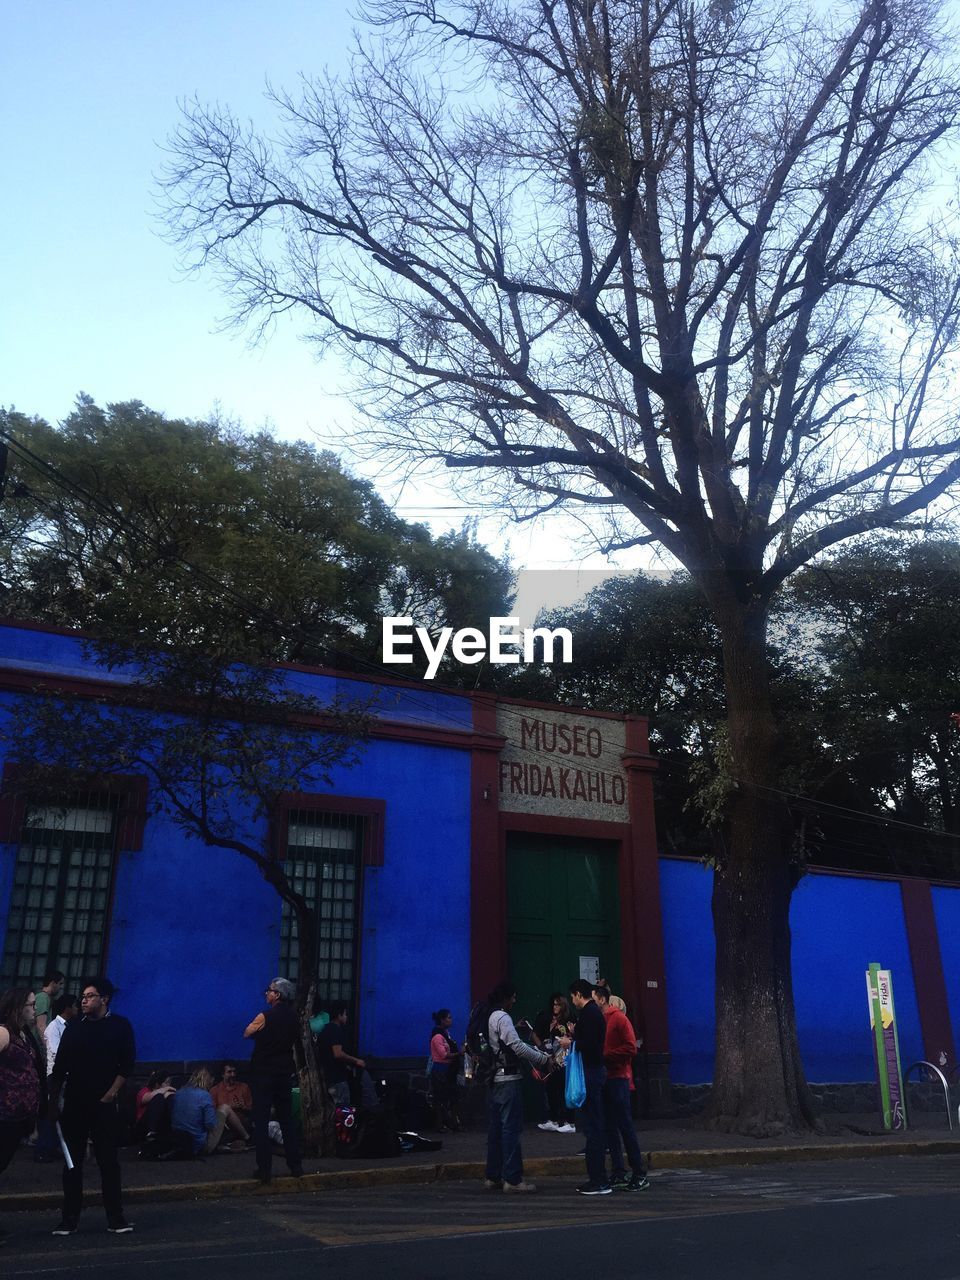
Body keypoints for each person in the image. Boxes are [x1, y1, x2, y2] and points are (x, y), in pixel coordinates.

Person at [49, 976, 135, 1235]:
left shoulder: (120, 1027)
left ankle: (115, 1216)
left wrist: (111, 1094)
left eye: (89, 996)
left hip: (104, 1104)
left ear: (104, 999)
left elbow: (127, 1064)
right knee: (72, 1163)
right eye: (83, 997)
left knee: (108, 1161)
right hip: (75, 1102)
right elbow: (61, 1066)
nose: (83, 1000)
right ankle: (70, 1217)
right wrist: (54, 1101)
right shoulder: (74, 1028)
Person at [484, 979, 553, 1194]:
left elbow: (499, 1042)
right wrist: (543, 1059)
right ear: (506, 997)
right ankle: (513, 1179)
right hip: (508, 1080)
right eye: (513, 997)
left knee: (496, 1130)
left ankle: (492, 1176)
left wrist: (515, 1028)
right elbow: (517, 1047)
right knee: (511, 1129)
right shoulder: (502, 1017)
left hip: (492, 1079)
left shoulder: (487, 1014)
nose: (514, 1001)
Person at [244, 977, 302, 1183]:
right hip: (284, 1073)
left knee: (260, 1121)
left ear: (277, 995)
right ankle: (295, 1165)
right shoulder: (295, 1018)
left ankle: (264, 1169)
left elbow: (247, 1033)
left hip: (263, 1073)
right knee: (287, 1120)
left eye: (269, 991)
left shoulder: (265, 1016)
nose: (266, 994)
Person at [593, 983, 649, 1192]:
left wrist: (606, 1057)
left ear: (602, 998)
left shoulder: (618, 1019)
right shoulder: (600, 1021)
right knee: (610, 1128)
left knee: (625, 1126)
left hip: (618, 1078)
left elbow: (630, 1047)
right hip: (605, 1078)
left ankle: (639, 1172)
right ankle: (618, 1171)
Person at [0, 989, 43, 1245]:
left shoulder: (24, 1035)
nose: (34, 1009)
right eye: (30, 1004)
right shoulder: (4, 1032)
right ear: (17, 1007)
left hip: (18, 1116)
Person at [562, 979, 610, 1195]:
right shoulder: (592, 1014)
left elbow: (590, 1045)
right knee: (593, 1126)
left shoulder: (589, 1014)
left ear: (579, 994)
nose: (572, 1001)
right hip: (593, 1072)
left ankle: (598, 1180)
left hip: (590, 1073)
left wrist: (570, 1043)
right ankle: (598, 1179)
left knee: (593, 1127)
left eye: (573, 997)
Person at [35, 994, 78, 1162]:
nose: (76, 1009)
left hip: (63, 1074)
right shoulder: (54, 1027)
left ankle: (51, 1147)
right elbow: (55, 1050)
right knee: (51, 1112)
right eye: (74, 1006)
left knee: (57, 1113)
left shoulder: (68, 1026)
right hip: (55, 1075)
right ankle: (43, 1149)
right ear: (67, 1008)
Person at [170, 1066, 251, 1155]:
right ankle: (248, 1139)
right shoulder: (204, 1095)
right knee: (225, 1108)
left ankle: (228, 1144)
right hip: (200, 1146)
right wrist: (221, 1121)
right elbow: (210, 1124)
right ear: (209, 1080)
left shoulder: (179, 1093)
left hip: (179, 1143)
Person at [532, 994, 576, 1134]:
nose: (555, 1007)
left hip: (565, 1059)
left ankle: (570, 1121)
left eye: (558, 1004)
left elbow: (568, 1036)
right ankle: (554, 1119)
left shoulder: (567, 1021)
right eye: (554, 1004)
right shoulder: (553, 1020)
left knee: (565, 1090)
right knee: (551, 1088)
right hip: (554, 1058)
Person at [316, 1002, 365, 1109]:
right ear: (339, 1016)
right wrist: (356, 1061)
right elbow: (338, 1054)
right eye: (345, 1014)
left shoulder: (325, 1030)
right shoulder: (336, 1030)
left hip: (326, 1077)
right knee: (343, 1110)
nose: (346, 1017)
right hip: (337, 1079)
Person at [428, 1009, 461, 1132]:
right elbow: (443, 1055)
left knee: (449, 1097)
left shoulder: (445, 1033)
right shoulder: (438, 1036)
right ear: (442, 1020)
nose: (450, 1020)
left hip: (447, 1070)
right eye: (449, 1017)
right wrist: (459, 1053)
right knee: (440, 1098)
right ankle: (440, 1125)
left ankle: (451, 1123)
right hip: (440, 1070)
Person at [133, 1070, 177, 1143]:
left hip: (161, 1125)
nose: (169, 1085)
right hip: (143, 1126)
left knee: (170, 1099)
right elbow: (146, 1098)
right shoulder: (145, 1091)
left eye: (169, 1082)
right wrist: (164, 1090)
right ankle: (151, 1132)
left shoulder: (168, 1093)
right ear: (157, 1084)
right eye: (166, 1082)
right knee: (158, 1097)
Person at [210, 1062, 253, 1133]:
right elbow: (211, 1113)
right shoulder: (214, 1090)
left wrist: (243, 1107)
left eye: (234, 1071)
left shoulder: (244, 1087)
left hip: (243, 1123)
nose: (233, 1075)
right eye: (229, 1072)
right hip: (224, 1126)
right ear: (223, 1074)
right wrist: (229, 1108)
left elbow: (251, 1109)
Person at [34, 972, 65, 1039]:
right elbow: (41, 1025)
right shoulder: (43, 998)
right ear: (53, 983)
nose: (61, 987)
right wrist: (48, 1045)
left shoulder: (45, 998)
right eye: (60, 983)